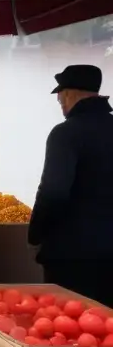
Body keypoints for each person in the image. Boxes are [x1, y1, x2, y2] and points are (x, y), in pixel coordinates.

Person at [27, 65, 113, 306]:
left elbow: (53, 192)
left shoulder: (65, 134)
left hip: (72, 256)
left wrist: (34, 235)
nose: (58, 100)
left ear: (69, 94)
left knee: (71, 326)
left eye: (59, 95)